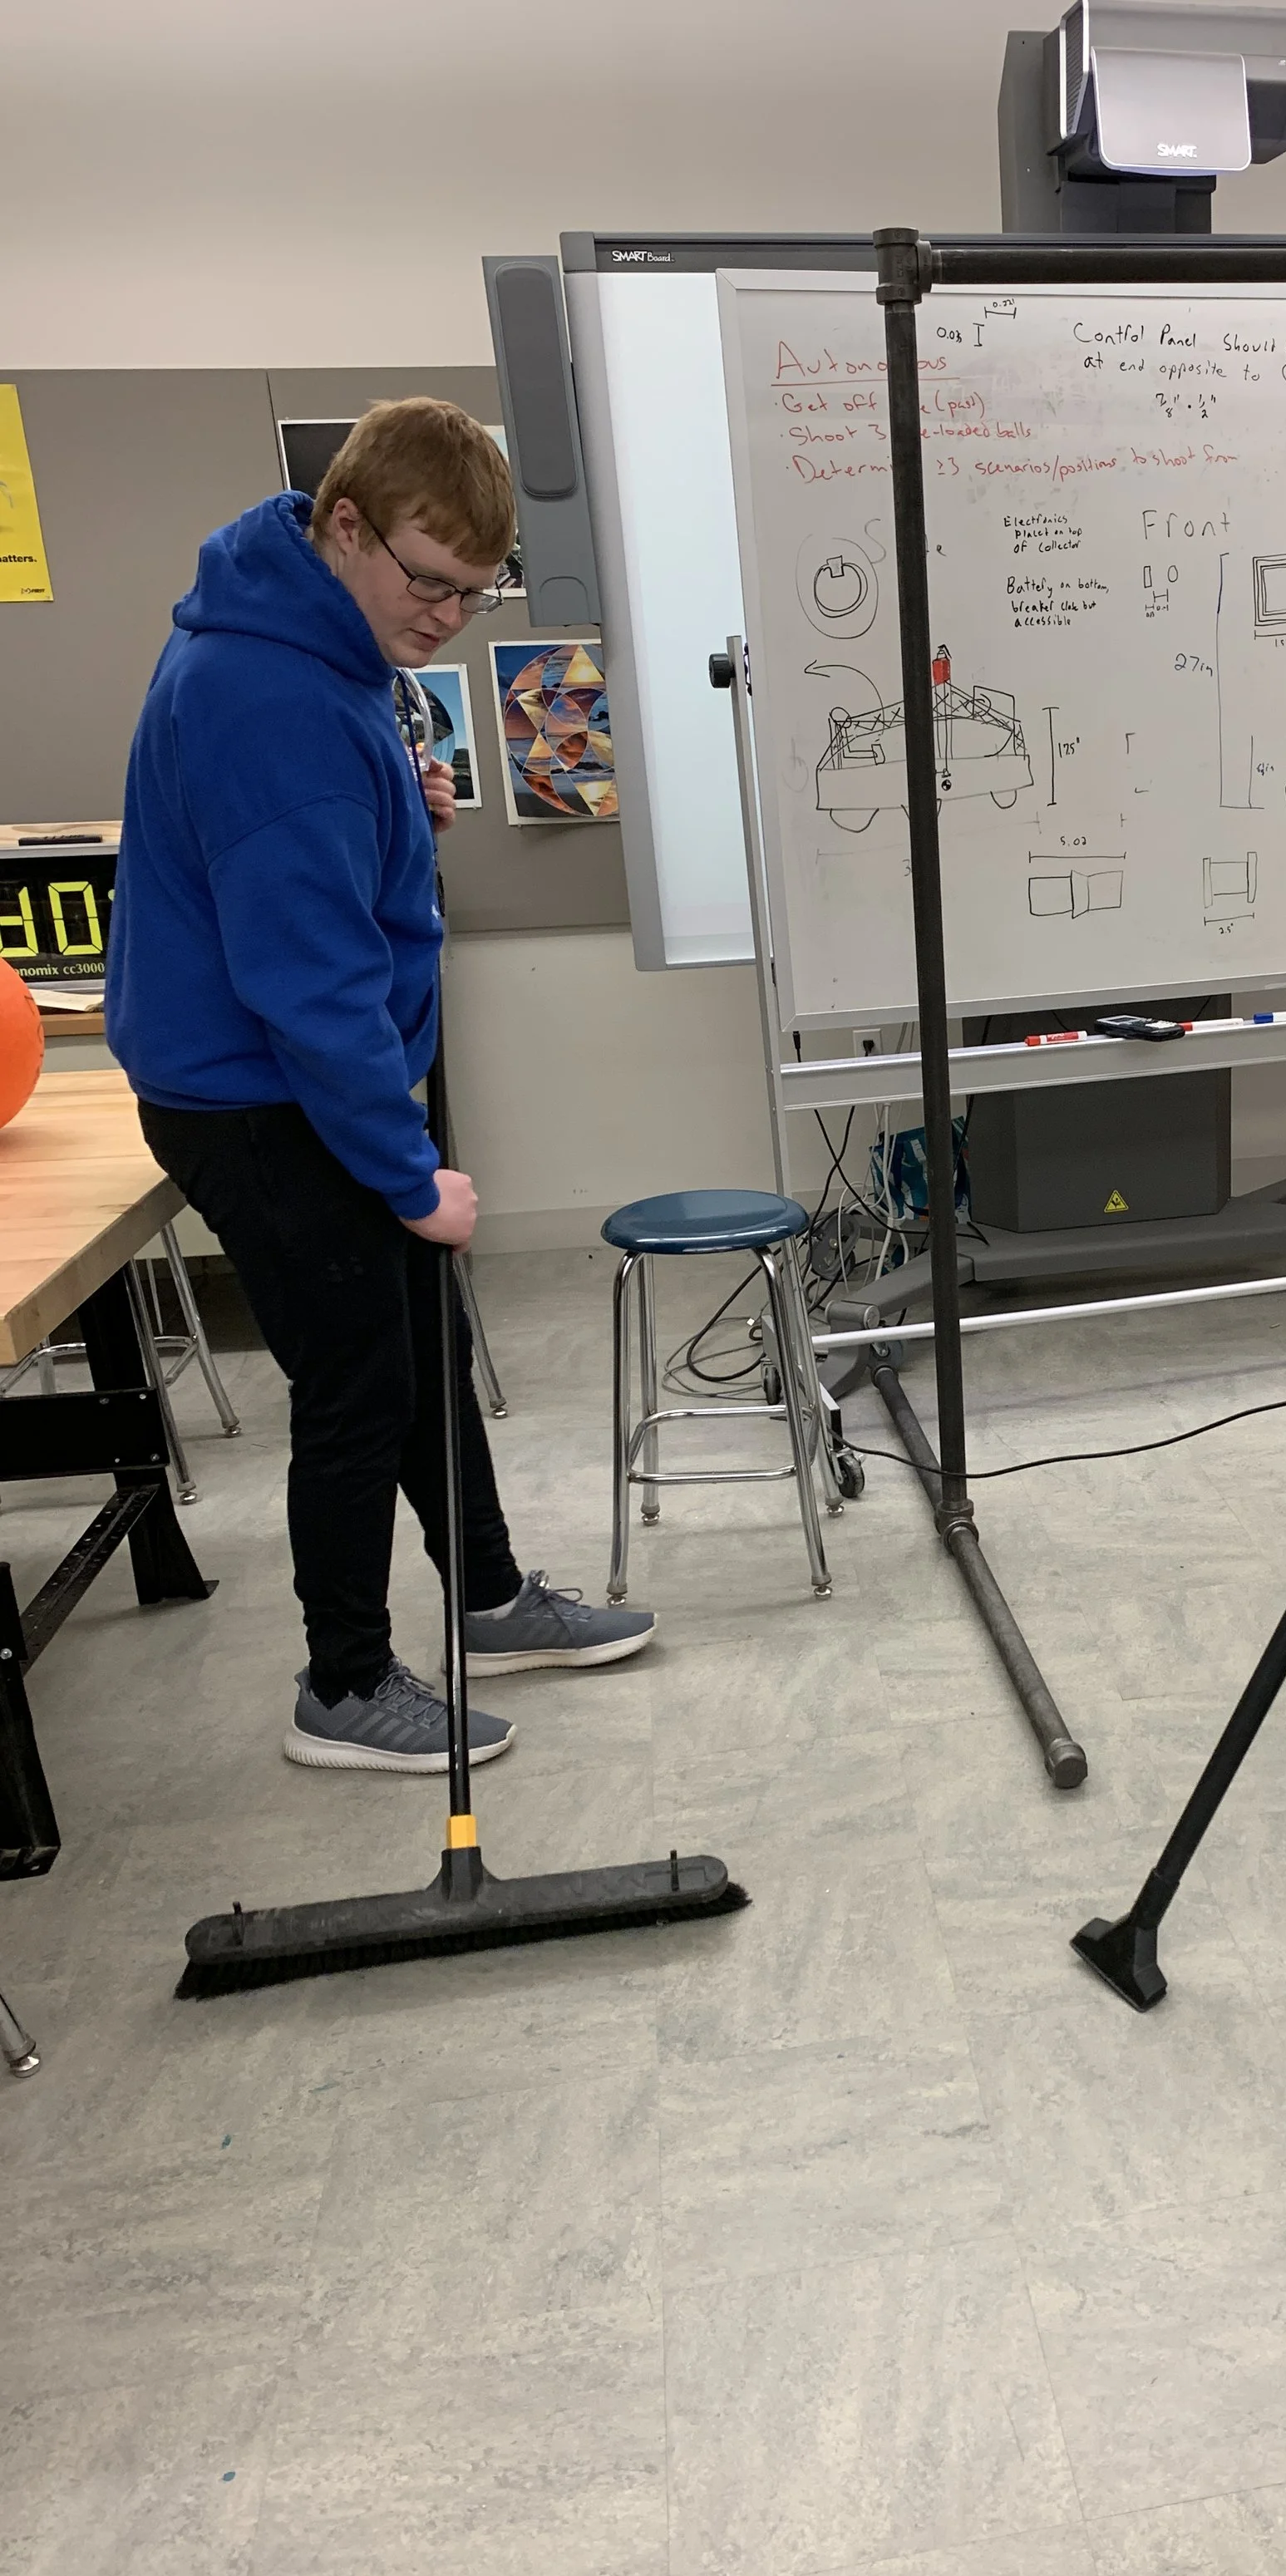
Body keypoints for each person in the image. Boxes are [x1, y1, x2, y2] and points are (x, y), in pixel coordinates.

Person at [106, 398, 653, 1772]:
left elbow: (317, 871)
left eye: (478, 594)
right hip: (260, 1096)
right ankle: (343, 1689)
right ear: (342, 523)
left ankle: (484, 1594)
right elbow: (308, 984)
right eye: (428, 582)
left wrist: (402, 806)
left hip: (304, 1075)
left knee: (424, 1359)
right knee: (358, 1383)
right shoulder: (267, 692)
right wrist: (408, 1176)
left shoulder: (319, 639)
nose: (450, 618)